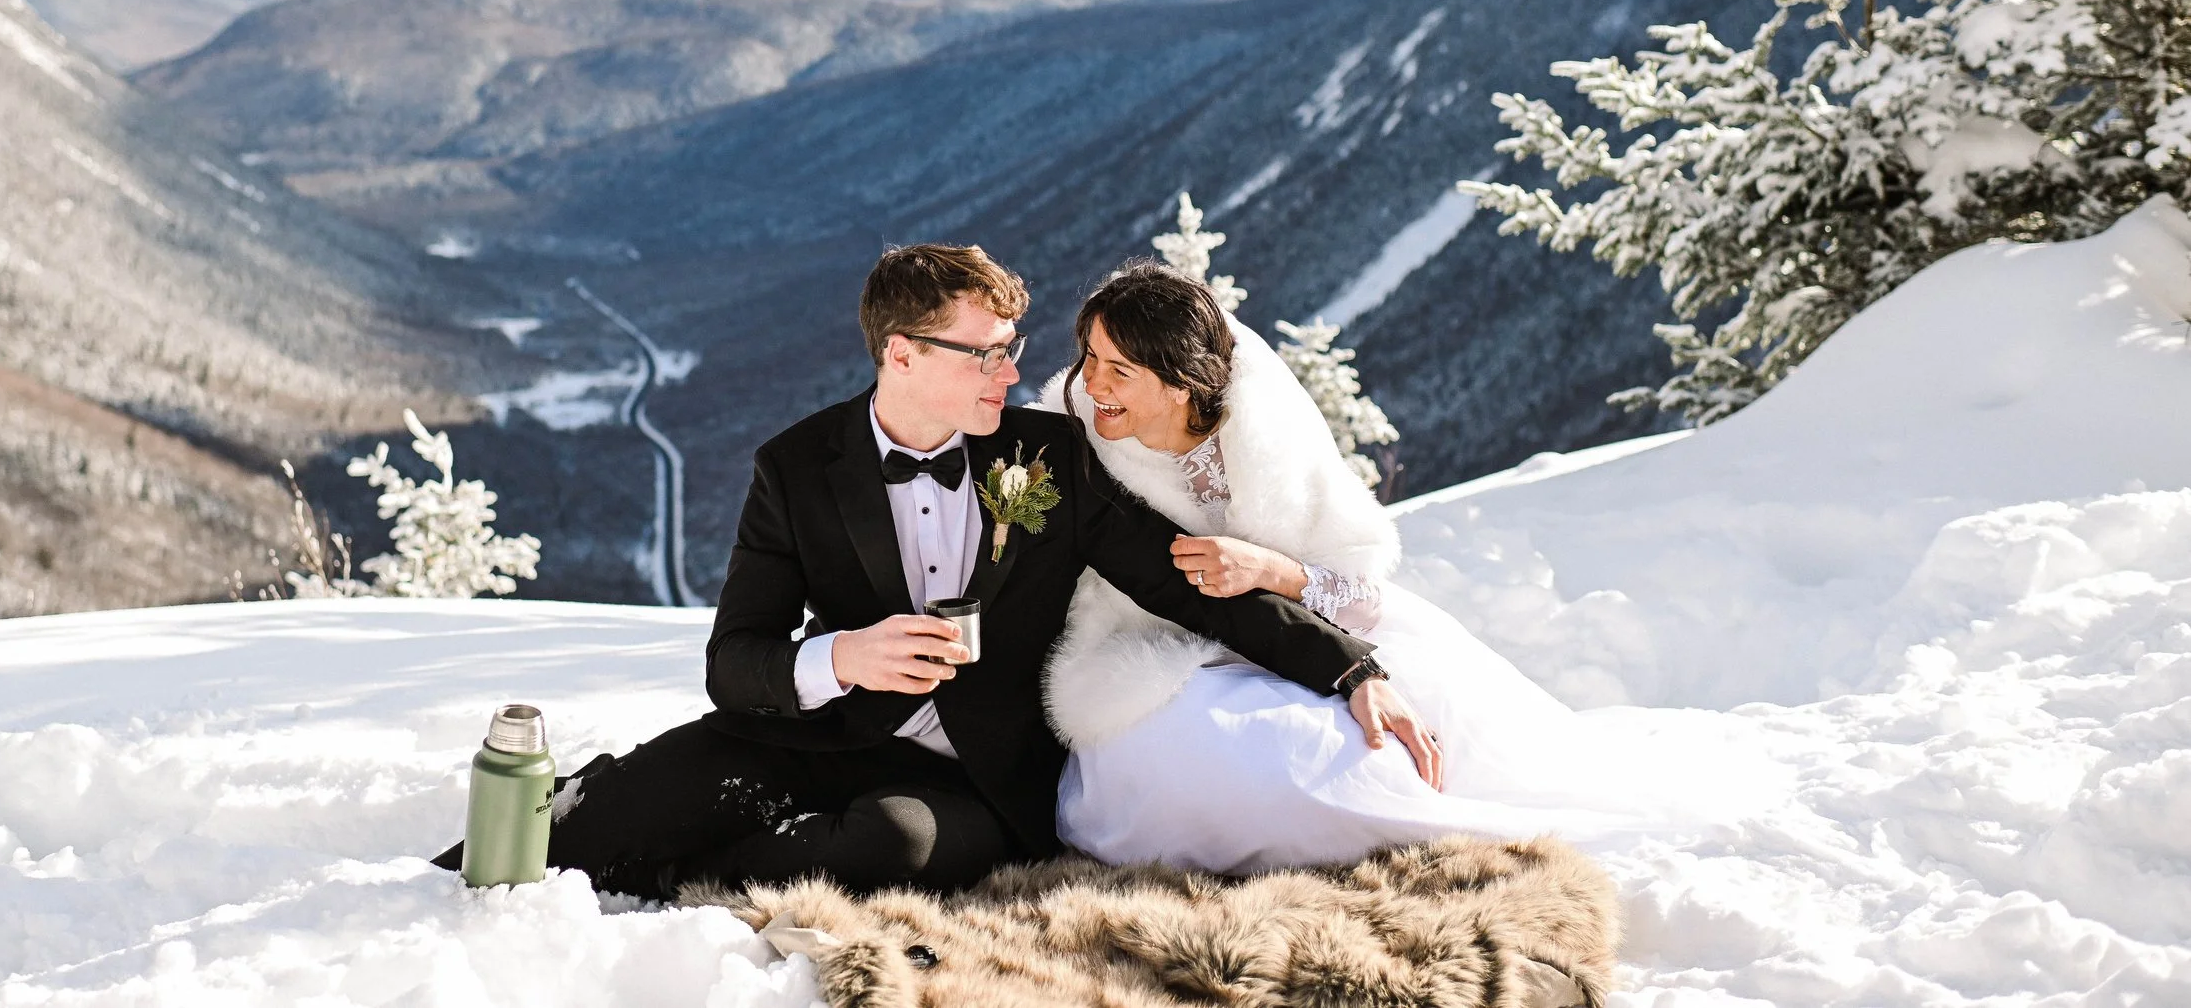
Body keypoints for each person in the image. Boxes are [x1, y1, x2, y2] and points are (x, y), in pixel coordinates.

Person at [484, 242, 1417, 899]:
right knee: (549, 847)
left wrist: (1351, 668)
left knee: (889, 847)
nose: (1012, 375)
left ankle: (699, 871)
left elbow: (1186, 582)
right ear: (903, 353)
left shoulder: (1048, 457)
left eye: (1011, 350)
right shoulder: (797, 465)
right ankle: (635, 815)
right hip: (811, 734)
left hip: (967, 778)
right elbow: (737, 661)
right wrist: (845, 657)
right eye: (988, 353)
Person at [1048, 260, 1720, 874]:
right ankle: (1439, 843)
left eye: (1119, 371)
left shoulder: (1263, 434)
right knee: (1287, 765)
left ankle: (1523, 841)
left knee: (1448, 720)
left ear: (1179, 382)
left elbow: (1361, 588)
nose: (1092, 384)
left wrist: (1276, 571)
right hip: (1157, 654)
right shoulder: (1076, 441)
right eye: (1090, 358)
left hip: (1310, 622)